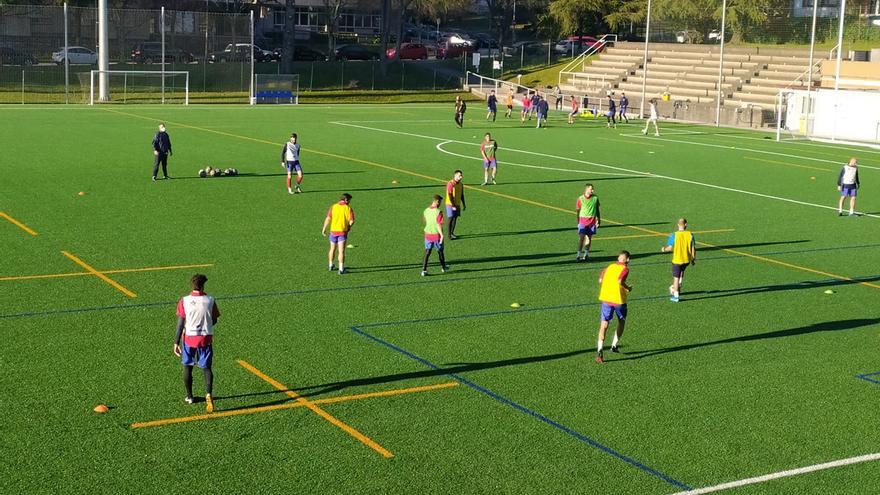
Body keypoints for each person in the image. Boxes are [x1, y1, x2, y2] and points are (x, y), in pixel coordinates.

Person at [173, 273, 220, 412]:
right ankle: (208, 393)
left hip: (189, 338)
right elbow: (215, 319)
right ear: (203, 285)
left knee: (187, 367)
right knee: (207, 368)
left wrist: (176, 342)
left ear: (192, 285)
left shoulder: (184, 300)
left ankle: (189, 396)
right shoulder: (210, 300)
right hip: (205, 338)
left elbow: (180, 323)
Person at [596, 251, 632, 364]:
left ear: (618, 258)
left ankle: (599, 351)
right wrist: (628, 288)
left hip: (606, 298)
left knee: (604, 324)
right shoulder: (625, 269)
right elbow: (620, 281)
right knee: (621, 321)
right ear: (628, 260)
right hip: (619, 300)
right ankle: (614, 345)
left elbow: (600, 280)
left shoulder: (610, 266)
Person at [661, 218, 696, 302]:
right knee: (681, 271)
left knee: (675, 278)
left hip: (677, 260)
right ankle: (678, 285)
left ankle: (676, 295)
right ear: (686, 224)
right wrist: (693, 259)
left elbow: (669, 248)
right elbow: (693, 248)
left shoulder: (674, 235)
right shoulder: (690, 234)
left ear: (678, 225)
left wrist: (663, 249)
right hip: (686, 260)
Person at [321, 193, 355, 274]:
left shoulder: (333, 206)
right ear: (346, 200)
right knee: (341, 251)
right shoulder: (348, 208)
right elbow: (352, 221)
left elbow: (328, 218)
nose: (350, 202)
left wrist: (324, 228)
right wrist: (349, 227)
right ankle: (341, 269)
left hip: (333, 231)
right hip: (342, 232)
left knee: (332, 249)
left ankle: (330, 265)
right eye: (349, 200)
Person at [421, 195, 449, 277]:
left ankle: (424, 270)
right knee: (440, 251)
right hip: (436, 235)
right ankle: (444, 267)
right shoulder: (438, 212)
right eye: (440, 202)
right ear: (437, 201)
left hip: (428, 234)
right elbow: (439, 225)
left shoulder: (426, 210)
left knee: (427, 252)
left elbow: (424, 219)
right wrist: (442, 235)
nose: (440, 204)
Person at [575, 183, 600, 261]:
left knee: (589, 238)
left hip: (592, 221)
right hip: (583, 221)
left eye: (593, 189)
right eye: (591, 189)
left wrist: (599, 219)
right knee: (581, 238)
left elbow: (597, 209)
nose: (592, 190)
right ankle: (578, 255)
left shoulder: (595, 198)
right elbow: (578, 211)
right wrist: (578, 222)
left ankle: (586, 254)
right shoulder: (580, 198)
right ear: (586, 189)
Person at [445, 170, 466, 240]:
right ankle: (448, 235)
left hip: (457, 204)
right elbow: (450, 195)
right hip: (450, 204)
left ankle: (452, 233)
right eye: (460, 175)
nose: (461, 177)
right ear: (455, 175)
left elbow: (462, 195)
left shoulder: (461, 184)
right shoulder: (450, 184)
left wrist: (463, 204)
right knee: (450, 218)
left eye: (461, 175)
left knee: (455, 218)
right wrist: (453, 205)